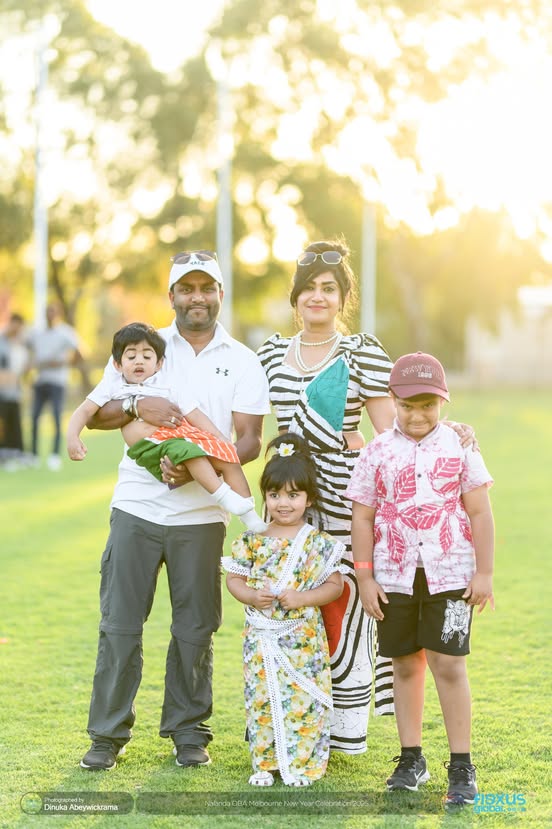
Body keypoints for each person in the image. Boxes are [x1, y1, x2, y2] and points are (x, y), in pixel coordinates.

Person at [258, 239, 476, 755]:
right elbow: (251, 428)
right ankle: (289, 719)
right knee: (287, 605)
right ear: (295, 297)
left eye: (329, 289)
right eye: (309, 288)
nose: (318, 296)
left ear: (342, 297)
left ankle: (342, 729)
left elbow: (392, 435)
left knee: (345, 606)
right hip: (288, 503)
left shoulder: (362, 353)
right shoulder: (269, 353)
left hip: (343, 498)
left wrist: (451, 432)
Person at [78, 250, 270, 771]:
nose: (197, 297)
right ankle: (107, 736)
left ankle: (189, 733)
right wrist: (140, 405)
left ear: (220, 294)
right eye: (187, 288)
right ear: (172, 297)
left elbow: (250, 440)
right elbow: (100, 414)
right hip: (137, 508)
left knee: (195, 628)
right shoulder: (140, 344)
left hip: (203, 515)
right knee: (119, 625)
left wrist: (194, 464)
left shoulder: (244, 359)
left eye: (206, 287)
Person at [346, 351, 494, 808]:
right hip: (393, 579)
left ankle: (461, 764)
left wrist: (485, 572)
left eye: (427, 405)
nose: (416, 415)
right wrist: (366, 578)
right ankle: (411, 758)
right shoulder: (376, 452)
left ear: (443, 402)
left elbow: (480, 511)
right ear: (392, 401)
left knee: (448, 664)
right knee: (405, 664)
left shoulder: (460, 445)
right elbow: (362, 518)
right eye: (407, 405)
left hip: (451, 577)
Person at [224, 433, 345, 787]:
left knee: (302, 699)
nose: (283, 503)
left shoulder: (317, 544)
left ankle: (304, 764)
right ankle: (265, 762)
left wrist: (303, 598)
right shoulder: (253, 539)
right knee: (262, 697)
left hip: (303, 641)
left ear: (309, 498)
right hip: (261, 640)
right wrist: (249, 596)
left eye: (293, 495)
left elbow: (335, 585)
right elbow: (233, 579)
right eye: (275, 495)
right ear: (265, 496)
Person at [67, 322, 266, 532]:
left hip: (179, 437)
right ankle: (224, 496)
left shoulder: (167, 383)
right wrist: (73, 437)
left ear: (159, 363)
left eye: (147, 356)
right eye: (131, 356)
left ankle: (249, 514)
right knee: (190, 452)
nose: (139, 361)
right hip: (150, 447)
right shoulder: (114, 385)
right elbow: (85, 411)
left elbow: (193, 413)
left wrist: (219, 438)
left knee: (227, 455)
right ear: (117, 364)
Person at [27, 302, 82, 470]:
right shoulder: (36, 333)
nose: (49, 315)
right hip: (40, 381)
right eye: (47, 312)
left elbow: (79, 354)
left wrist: (61, 362)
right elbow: (27, 350)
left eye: (52, 312)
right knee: (34, 418)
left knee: (56, 418)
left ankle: (55, 455)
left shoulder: (65, 332)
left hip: (57, 382)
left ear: (57, 314)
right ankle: (34, 455)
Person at [0, 313, 30, 468]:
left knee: (15, 424)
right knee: (2, 425)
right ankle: (3, 457)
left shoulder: (19, 343)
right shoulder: (1, 342)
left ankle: (16, 453)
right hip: (2, 393)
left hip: (15, 392)